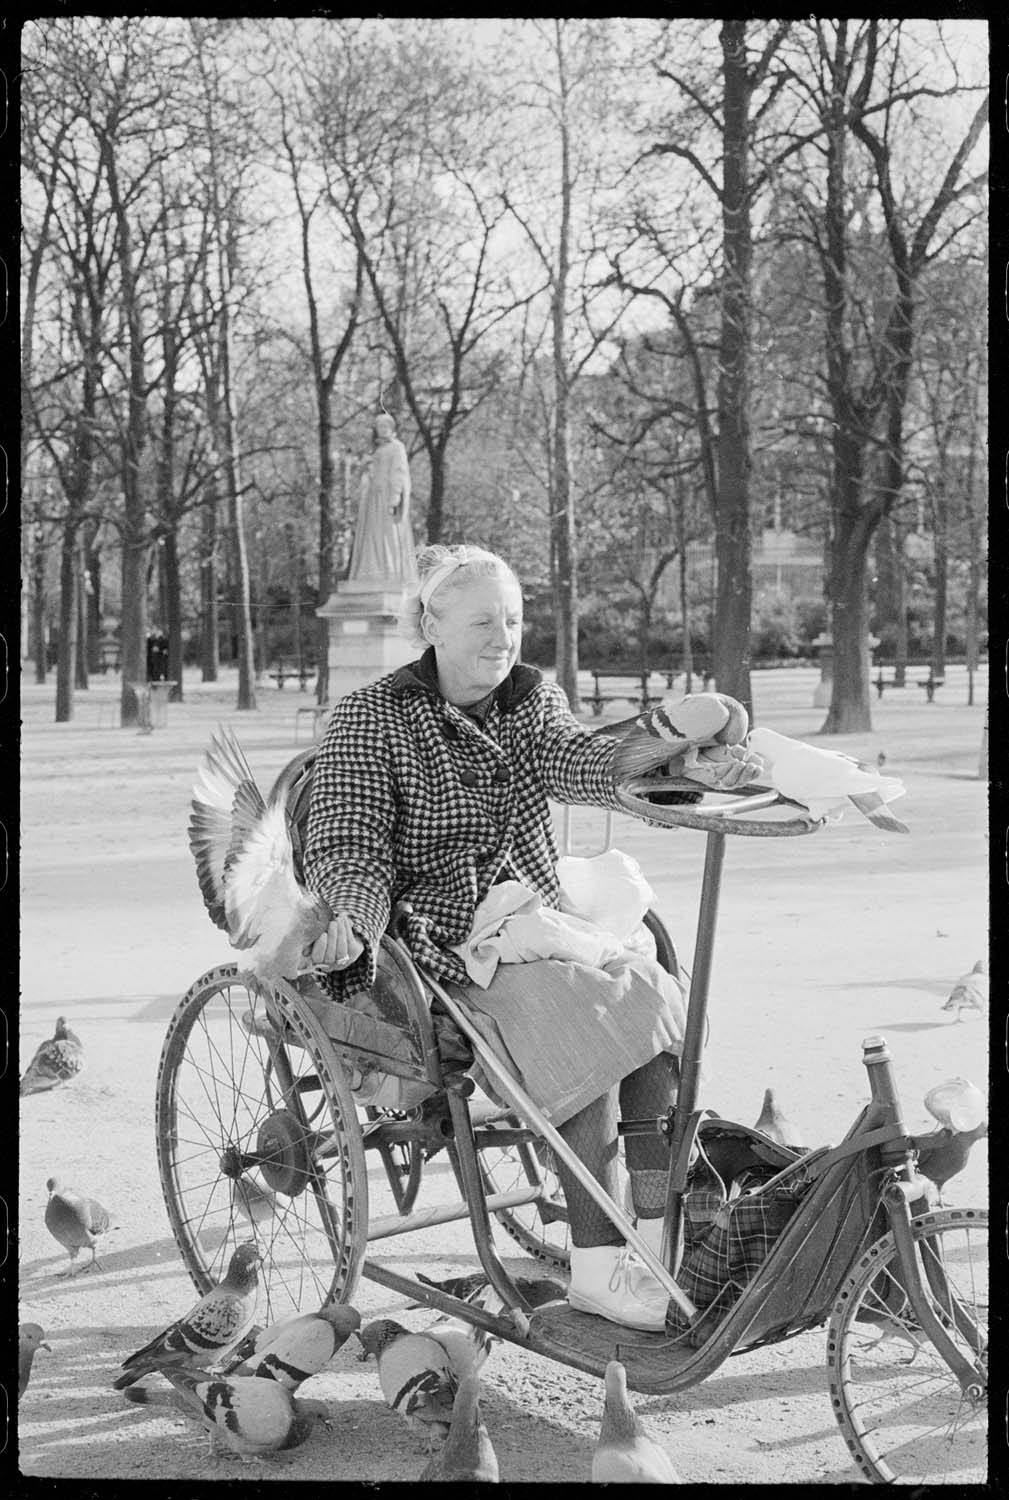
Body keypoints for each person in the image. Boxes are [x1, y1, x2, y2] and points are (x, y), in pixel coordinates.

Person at [303, 543, 762, 1331]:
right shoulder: (369, 717)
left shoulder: (527, 701)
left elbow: (583, 761)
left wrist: (669, 728)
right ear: (429, 624)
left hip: (534, 921)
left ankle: (653, 1238)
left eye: (512, 620)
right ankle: (594, 1267)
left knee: (652, 1001)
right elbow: (347, 846)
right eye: (481, 620)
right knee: (573, 1025)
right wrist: (354, 922)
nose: (501, 637)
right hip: (441, 944)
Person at [348, 413, 417, 585]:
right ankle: (372, 572)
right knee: (373, 536)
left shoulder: (397, 447)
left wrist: (394, 499)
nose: (383, 430)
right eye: (380, 427)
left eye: (386, 427)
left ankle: (391, 573)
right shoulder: (377, 450)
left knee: (389, 535)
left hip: (387, 499)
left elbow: (398, 474)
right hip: (373, 499)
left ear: (392, 429)